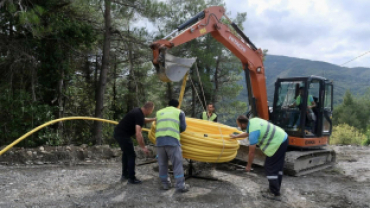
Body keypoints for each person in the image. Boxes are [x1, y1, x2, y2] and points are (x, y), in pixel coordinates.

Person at [230, 115, 288, 201]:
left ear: (242, 124)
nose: (239, 126)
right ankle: (275, 188)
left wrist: (248, 166)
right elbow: (247, 133)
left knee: (270, 167)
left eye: (238, 125)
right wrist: (236, 136)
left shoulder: (254, 132)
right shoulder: (253, 121)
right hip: (283, 137)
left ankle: (274, 193)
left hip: (278, 142)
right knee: (277, 167)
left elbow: (251, 152)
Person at [114, 102, 156, 184]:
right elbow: (138, 133)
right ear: (149, 109)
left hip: (118, 133)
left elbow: (142, 120)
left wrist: (153, 119)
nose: (151, 112)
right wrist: (143, 147)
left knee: (126, 153)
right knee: (131, 155)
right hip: (123, 135)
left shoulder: (137, 111)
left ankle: (125, 175)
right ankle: (131, 178)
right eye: (151, 111)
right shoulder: (139, 115)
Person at [155, 99, 189, 192]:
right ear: (177, 106)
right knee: (177, 164)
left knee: (162, 164)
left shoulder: (159, 112)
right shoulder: (179, 112)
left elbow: (157, 125)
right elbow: (183, 127)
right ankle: (180, 186)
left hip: (159, 141)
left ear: (168, 104)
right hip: (172, 141)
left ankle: (165, 184)